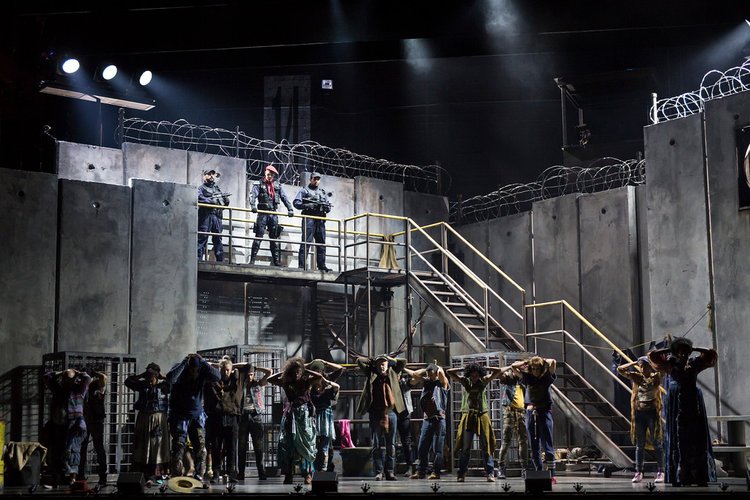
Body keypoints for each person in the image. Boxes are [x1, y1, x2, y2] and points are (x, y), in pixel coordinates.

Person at [649, 337, 717, 487]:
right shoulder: (671, 364)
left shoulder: (694, 364)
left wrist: (694, 349)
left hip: (693, 402)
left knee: (696, 438)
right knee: (679, 438)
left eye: (686, 353)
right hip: (678, 402)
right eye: (681, 353)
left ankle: (698, 475)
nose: (684, 355)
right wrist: (671, 349)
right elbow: (653, 356)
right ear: (677, 353)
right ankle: (681, 475)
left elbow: (711, 354)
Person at [268, 357, 326, 485]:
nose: (296, 374)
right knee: (289, 444)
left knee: (306, 444)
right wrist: (284, 373)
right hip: (291, 415)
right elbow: (270, 379)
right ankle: (288, 475)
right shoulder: (286, 382)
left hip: (304, 416)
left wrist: (306, 369)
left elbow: (318, 377)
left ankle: (308, 474)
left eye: (299, 372)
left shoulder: (306, 382)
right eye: (294, 372)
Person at [446, 363, 507, 482]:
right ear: (469, 374)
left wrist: (486, 368)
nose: (474, 378)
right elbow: (449, 372)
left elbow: (498, 371)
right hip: (468, 414)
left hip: (481, 414)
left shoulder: (483, 381)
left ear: (479, 375)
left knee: (486, 445)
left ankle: (490, 473)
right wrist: (463, 368)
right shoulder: (465, 381)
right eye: (472, 375)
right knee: (466, 447)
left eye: (476, 375)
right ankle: (461, 473)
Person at [166, 353, 221, 481]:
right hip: (180, 416)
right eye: (192, 369)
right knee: (179, 446)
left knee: (200, 448)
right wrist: (184, 363)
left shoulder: (202, 371)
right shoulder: (181, 370)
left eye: (196, 370)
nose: (194, 372)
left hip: (197, 416)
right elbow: (170, 379)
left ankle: (199, 475)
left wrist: (203, 362)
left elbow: (217, 376)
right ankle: (177, 476)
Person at [356, 354, 408, 481]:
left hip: (391, 412)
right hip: (376, 413)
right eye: (379, 364)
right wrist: (372, 360)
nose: (381, 366)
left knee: (391, 444)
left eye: (383, 364)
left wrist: (390, 360)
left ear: (387, 364)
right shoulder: (372, 373)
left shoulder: (393, 372)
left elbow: (403, 362)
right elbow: (359, 361)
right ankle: (379, 471)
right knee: (377, 444)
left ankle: (390, 471)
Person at [205, 356, 255, 484]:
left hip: (233, 417)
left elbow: (248, 365)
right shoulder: (214, 380)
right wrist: (218, 365)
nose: (225, 372)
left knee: (232, 448)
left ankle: (231, 473)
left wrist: (233, 365)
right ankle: (216, 473)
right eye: (223, 370)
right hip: (217, 417)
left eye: (227, 370)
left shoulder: (238, 380)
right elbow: (206, 365)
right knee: (216, 447)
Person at [617, 356, 665, 483]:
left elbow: (663, 371)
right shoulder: (637, 377)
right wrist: (634, 362)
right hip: (639, 414)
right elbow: (620, 369)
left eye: (644, 366)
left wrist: (652, 362)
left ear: (650, 366)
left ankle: (661, 471)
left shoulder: (655, 377)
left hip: (652, 413)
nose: (642, 368)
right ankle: (639, 471)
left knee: (656, 443)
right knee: (640, 444)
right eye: (641, 366)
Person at [511, 356, 557, 483]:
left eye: (537, 368)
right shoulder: (528, 378)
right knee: (534, 445)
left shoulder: (546, 378)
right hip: (531, 413)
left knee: (547, 445)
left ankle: (552, 474)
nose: (535, 371)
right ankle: (539, 471)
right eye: (533, 368)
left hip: (544, 412)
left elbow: (553, 362)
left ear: (541, 369)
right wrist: (526, 362)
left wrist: (540, 360)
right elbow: (513, 367)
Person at [43, 368, 92, 486]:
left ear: (74, 379)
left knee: (73, 450)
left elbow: (87, 378)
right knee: (58, 450)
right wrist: (61, 372)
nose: (66, 381)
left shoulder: (79, 390)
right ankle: (58, 476)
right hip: (59, 424)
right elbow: (46, 377)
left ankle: (72, 477)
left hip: (75, 425)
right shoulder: (58, 389)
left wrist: (77, 373)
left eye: (69, 378)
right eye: (64, 378)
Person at [125, 363, 171, 485]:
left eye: (152, 374)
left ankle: (156, 474)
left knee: (157, 446)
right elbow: (127, 382)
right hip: (144, 417)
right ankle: (143, 473)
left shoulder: (163, 386)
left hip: (159, 417)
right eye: (148, 374)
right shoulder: (142, 385)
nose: (150, 377)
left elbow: (174, 383)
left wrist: (162, 376)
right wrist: (140, 375)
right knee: (143, 445)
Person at [407, 363, 449, 480]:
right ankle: (421, 471)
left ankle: (436, 472)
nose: (429, 376)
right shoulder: (427, 382)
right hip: (427, 419)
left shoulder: (442, 383)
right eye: (428, 374)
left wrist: (437, 367)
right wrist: (426, 370)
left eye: (431, 374)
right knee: (422, 446)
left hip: (438, 419)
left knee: (437, 448)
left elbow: (441, 373)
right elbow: (414, 374)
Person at [249, 164, 295, 266]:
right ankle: (252, 261)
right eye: (269, 174)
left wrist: (290, 208)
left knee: (274, 238)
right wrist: (253, 205)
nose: (270, 176)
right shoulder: (259, 184)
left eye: (272, 175)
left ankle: (276, 262)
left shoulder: (277, 185)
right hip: (262, 213)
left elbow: (284, 197)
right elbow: (253, 195)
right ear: (265, 172)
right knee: (258, 236)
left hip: (273, 213)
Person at [237, 363, 273, 481]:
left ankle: (261, 472)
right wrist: (243, 367)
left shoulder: (258, 384)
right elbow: (231, 367)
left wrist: (256, 367)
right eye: (248, 374)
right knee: (241, 447)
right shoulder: (240, 385)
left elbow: (269, 372)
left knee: (258, 447)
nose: (249, 377)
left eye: (251, 374)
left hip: (255, 415)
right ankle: (241, 473)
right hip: (243, 416)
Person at [307, 359, 344, 472]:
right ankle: (314, 469)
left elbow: (340, 369)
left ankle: (325, 469)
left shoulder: (327, 380)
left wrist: (325, 363)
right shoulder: (308, 382)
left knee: (326, 446)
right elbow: (297, 368)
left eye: (318, 371)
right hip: (313, 416)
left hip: (325, 416)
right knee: (313, 444)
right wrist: (310, 364)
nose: (316, 374)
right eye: (314, 371)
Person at [293, 172, 332, 272]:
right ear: (310, 179)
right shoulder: (304, 191)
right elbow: (296, 203)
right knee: (306, 241)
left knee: (321, 243)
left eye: (318, 179)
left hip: (320, 220)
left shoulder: (322, 192)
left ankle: (321, 265)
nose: (316, 181)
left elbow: (327, 205)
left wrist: (327, 208)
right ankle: (302, 265)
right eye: (314, 179)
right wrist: (308, 206)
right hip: (309, 218)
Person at [496, 367, 529, 479]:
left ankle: (524, 468)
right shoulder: (509, 378)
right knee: (506, 441)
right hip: (510, 412)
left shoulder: (524, 380)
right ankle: (501, 468)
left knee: (523, 441)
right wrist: (510, 368)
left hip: (521, 412)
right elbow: (499, 373)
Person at [79, 367, 108, 486]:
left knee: (99, 448)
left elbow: (104, 377)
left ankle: (103, 476)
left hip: (96, 420)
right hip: (85, 420)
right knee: (83, 448)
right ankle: (81, 475)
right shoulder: (82, 387)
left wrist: (94, 373)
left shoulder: (97, 385)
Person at [197, 169, 230, 262]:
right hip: (206, 216)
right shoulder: (201, 188)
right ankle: (198, 260)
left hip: (217, 216)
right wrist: (209, 201)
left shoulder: (217, 189)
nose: (211, 176)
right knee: (202, 238)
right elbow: (198, 197)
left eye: (212, 174)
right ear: (204, 176)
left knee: (218, 238)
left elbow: (223, 203)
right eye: (209, 174)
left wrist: (226, 201)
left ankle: (220, 261)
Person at [396, 371, 415, 477]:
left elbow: (416, 377)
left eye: (398, 374)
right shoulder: (388, 383)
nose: (396, 376)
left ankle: (409, 466)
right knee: (390, 441)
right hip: (393, 413)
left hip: (404, 414)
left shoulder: (405, 383)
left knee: (406, 441)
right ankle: (389, 469)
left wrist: (405, 369)